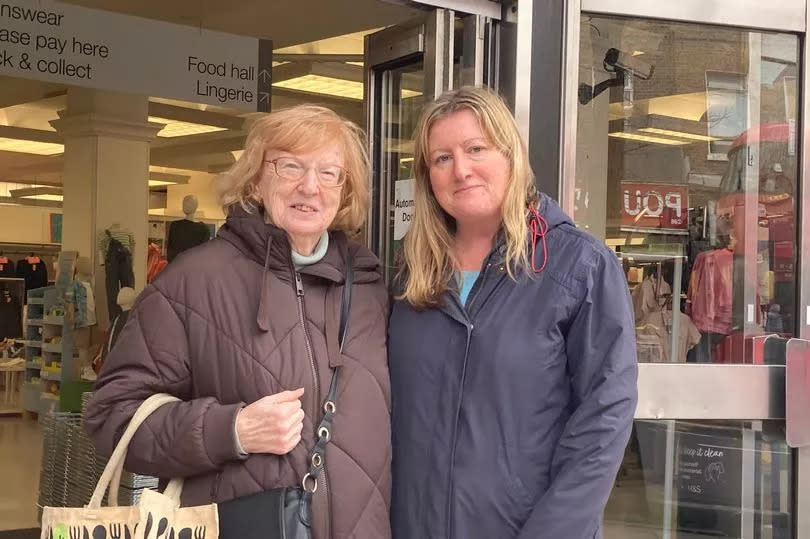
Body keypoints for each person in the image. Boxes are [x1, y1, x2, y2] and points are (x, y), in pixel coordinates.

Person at [85, 105, 392, 539]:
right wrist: (230, 430)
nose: (310, 186)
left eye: (329, 173)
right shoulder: (194, 282)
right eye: (290, 166)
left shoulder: (371, 288)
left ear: (346, 190)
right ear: (256, 178)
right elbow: (111, 417)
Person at [388, 87, 637, 539]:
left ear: (511, 153)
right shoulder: (413, 274)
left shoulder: (578, 266)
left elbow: (604, 419)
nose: (460, 169)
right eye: (441, 158)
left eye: (475, 149)